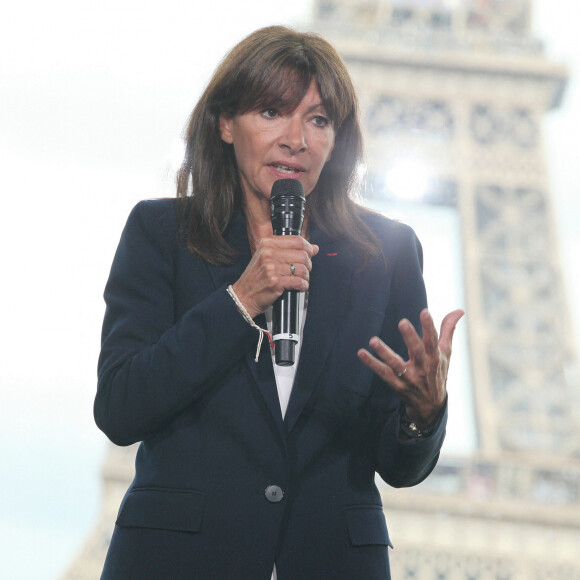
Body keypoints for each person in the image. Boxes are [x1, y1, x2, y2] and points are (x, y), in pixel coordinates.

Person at [95, 25, 464, 580]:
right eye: (271, 112)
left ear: (337, 141)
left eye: (318, 120)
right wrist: (240, 300)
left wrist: (423, 414)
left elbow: (397, 466)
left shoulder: (387, 253)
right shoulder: (161, 232)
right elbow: (122, 407)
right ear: (225, 124)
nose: (297, 138)